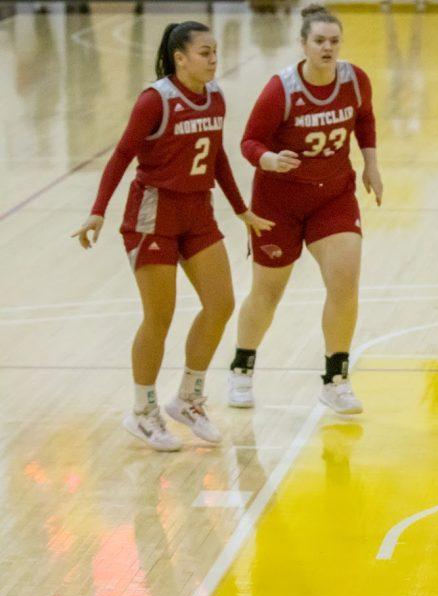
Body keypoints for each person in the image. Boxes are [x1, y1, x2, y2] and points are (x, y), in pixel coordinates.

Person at [73, 21, 270, 451]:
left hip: (198, 211)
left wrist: (242, 211)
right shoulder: (154, 100)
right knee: (158, 317)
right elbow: (122, 155)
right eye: (204, 52)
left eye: (215, 51)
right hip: (153, 214)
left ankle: (188, 399)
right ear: (180, 58)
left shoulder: (215, 96)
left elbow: (216, 156)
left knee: (221, 304)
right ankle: (142, 411)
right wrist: (96, 212)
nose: (214, 58)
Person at [228, 3, 383, 414]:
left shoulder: (354, 80)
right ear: (303, 45)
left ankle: (336, 379)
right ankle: (242, 367)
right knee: (267, 292)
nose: (328, 47)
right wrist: (268, 159)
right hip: (278, 201)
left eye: (334, 40)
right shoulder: (281, 89)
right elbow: (249, 141)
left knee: (345, 283)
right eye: (319, 41)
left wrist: (371, 163)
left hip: (333, 196)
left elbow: (364, 118)